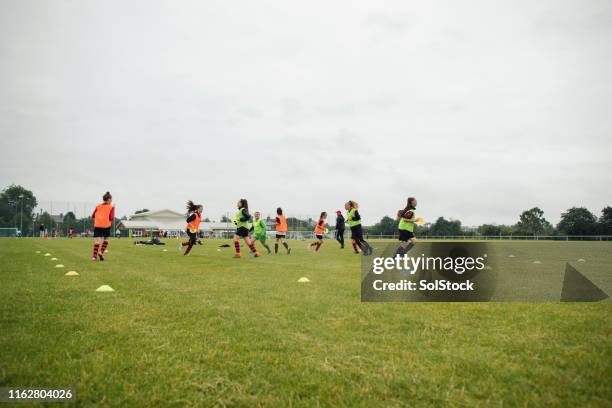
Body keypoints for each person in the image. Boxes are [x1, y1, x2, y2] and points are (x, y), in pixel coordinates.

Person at [91, 192, 115, 261]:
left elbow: (93, 215)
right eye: (111, 199)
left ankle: (94, 257)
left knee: (97, 241)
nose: (111, 201)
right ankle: (101, 252)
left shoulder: (98, 206)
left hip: (97, 225)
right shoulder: (111, 207)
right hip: (106, 225)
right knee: (106, 239)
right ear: (109, 199)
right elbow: (111, 218)